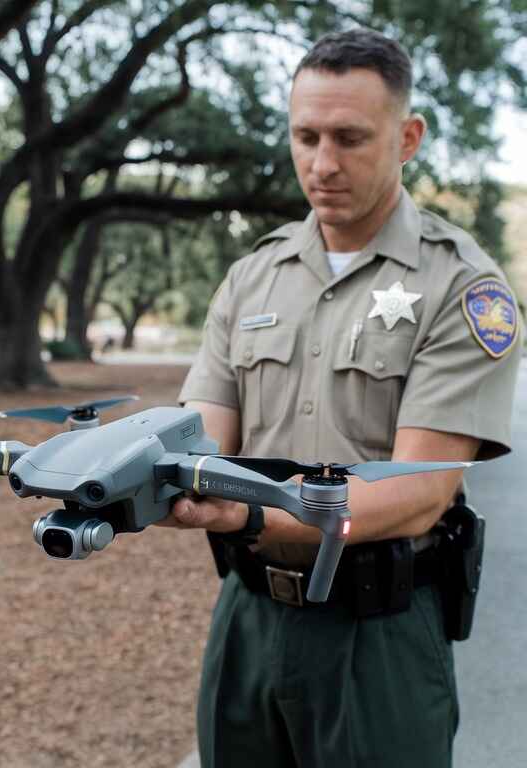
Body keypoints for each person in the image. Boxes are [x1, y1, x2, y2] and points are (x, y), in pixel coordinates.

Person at [164, 28, 522, 768]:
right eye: (306, 136)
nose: (322, 164)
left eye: (350, 138)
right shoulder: (253, 277)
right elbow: (200, 433)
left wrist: (250, 508)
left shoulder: (460, 286)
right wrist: (132, 469)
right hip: (247, 616)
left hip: (378, 632)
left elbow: (422, 490)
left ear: (408, 136)